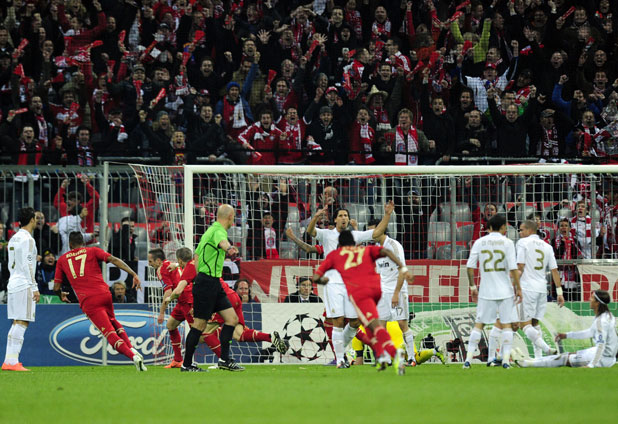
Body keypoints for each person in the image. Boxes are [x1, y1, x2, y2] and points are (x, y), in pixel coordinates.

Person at [305, 201, 393, 368]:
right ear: (335, 220)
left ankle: (341, 351)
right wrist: (315, 217)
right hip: (333, 284)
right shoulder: (327, 235)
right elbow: (310, 232)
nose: (344, 218)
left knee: (354, 322)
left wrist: (387, 215)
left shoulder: (355, 236)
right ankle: (340, 359)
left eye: (346, 215)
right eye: (340, 216)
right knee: (338, 321)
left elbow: (377, 232)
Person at [312, 230, 408, 375]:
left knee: (350, 323)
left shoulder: (339, 255)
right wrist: (402, 266)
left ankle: (342, 357)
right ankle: (344, 359)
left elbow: (316, 277)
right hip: (367, 290)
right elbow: (385, 251)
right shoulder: (362, 250)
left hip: (355, 291)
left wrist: (322, 280)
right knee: (367, 324)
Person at [53, 232, 146, 371]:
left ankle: (133, 357)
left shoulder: (62, 260)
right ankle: (132, 349)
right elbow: (114, 259)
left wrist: (60, 295)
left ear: (70, 244)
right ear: (83, 242)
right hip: (104, 294)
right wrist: (133, 274)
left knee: (109, 333)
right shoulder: (93, 251)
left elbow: (56, 287)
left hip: (89, 300)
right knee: (113, 321)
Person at [167, 261, 288, 361]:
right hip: (234, 297)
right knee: (239, 334)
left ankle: (224, 360)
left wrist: (169, 299)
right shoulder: (208, 263)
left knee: (204, 332)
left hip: (222, 299)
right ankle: (270, 337)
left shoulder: (194, 269)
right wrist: (177, 264)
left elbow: (188, 277)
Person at [181, 204, 243, 372]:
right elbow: (223, 243)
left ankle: (224, 360)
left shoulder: (208, 232)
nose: (233, 220)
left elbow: (196, 257)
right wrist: (229, 249)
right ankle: (186, 364)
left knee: (231, 319)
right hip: (207, 283)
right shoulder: (218, 231)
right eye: (233, 216)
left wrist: (200, 278)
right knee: (199, 325)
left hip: (212, 282)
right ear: (230, 216)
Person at [463, 214, 522, 369]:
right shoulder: (508, 243)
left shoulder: (479, 242)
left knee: (479, 324)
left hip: (486, 291)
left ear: (489, 227)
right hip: (505, 291)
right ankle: (506, 361)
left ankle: (468, 360)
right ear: (503, 227)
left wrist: (473, 287)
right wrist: (518, 288)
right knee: (506, 325)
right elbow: (513, 268)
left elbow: (470, 267)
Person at [513, 290, 617, 368]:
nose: (589, 299)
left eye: (592, 298)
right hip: (607, 357)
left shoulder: (601, 322)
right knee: (568, 355)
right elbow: (589, 333)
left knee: (563, 358)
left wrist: (591, 365)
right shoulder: (607, 316)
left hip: (602, 359)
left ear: (597, 303)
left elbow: (601, 345)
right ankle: (532, 360)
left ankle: (527, 363)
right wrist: (567, 335)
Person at [365, 219, 416, 366]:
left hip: (397, 290)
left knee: (402, 323)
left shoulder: (394, 246)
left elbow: (402, 269)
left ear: (381, 229)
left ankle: (411, 357)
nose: (371, 234)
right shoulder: (376, 249)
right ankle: (386, 358)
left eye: (373, 230)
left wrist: (396, 293)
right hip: (383, 291)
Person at [516, 220, 564, 360]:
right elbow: (554, 270)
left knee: (524, 324)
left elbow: (520, 267)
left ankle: (547, 349)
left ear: (530, 230)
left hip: (527, 288)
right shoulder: (547, 246)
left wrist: (513, 285)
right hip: (542, 289)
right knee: (535, 323)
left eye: (522, 230)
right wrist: (559, 293)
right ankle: (539, 358)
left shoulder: (523, 243)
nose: (520, 233)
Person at [2, 208, 38, 371]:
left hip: (13, 282)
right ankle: (12, 361)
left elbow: (13, 264)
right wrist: (34, 287)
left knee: (17, 322)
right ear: (32, 219)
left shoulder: (13, 238)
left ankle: (9, 361)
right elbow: (27, 264)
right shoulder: (28, 239)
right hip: (24, 284)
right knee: (22, 322)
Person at [150, 247, 194, 369]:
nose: (149, 264)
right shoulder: (172, 264)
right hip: (182, 300)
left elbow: (168, 292)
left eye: (150, 261)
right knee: (171, 325)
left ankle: (223, 356)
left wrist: (161, 312)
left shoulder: (161, 269)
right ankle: (178, 360)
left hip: (187, 300)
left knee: (200, 334)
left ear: (158, 261)